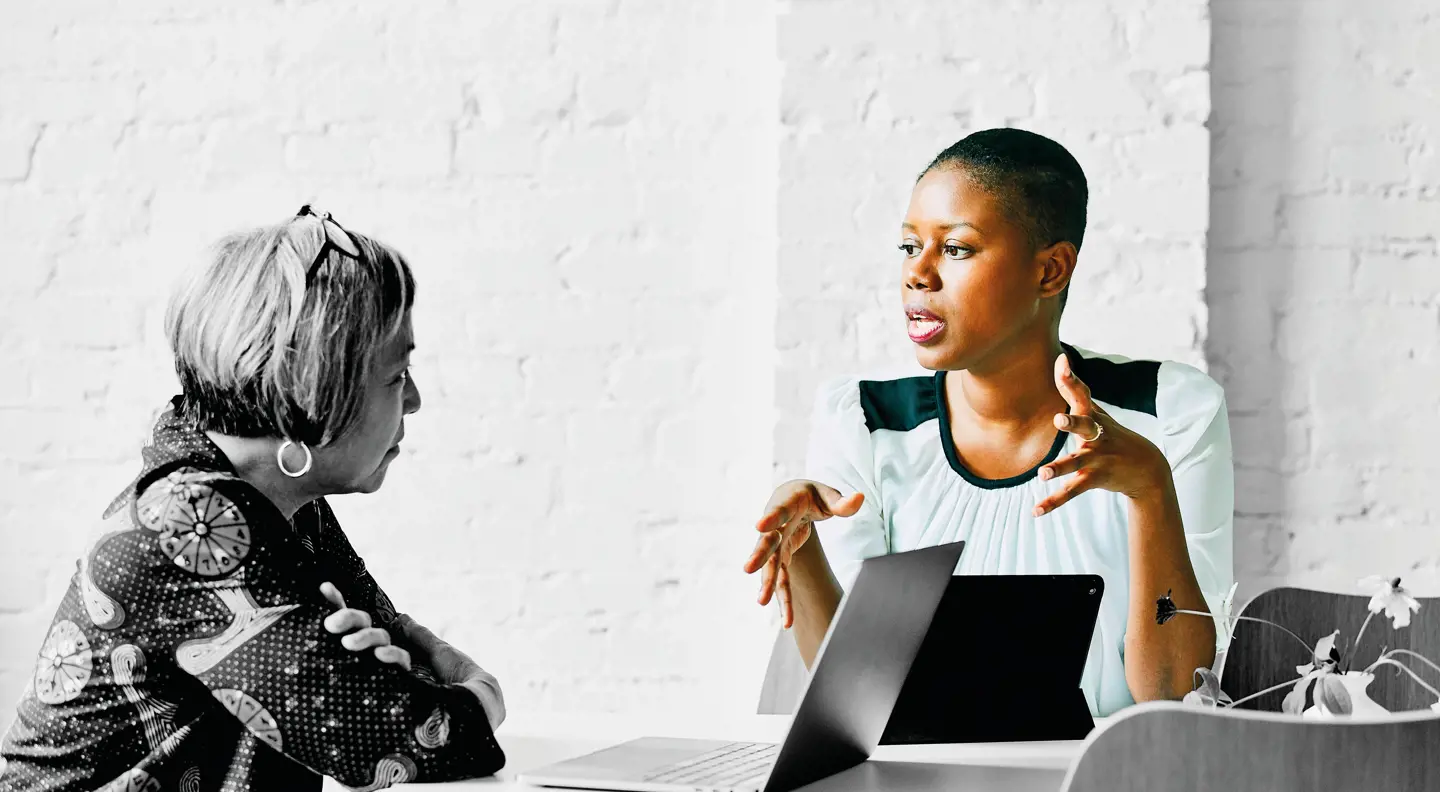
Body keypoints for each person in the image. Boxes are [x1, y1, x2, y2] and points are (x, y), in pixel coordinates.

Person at [0, 207, 506, 791]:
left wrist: (401, 688)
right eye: (396, 375)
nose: (414, 400)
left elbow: (396, 665)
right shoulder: (190, 520)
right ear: (312, 390)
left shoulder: (279, 500)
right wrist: (480, 693)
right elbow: (408, 737)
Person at [744, 129, 1233, 716]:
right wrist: (802, 551)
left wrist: (1150, 488)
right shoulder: (866, 425)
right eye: (908, 247)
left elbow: (1177, 696)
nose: (917, 275)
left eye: (955, 249)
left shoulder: (1168, 413)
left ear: (1051, 271)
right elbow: (859, 703)